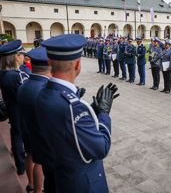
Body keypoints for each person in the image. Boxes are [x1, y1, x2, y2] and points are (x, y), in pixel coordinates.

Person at [37, 34, 119, 192]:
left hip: (63, 173)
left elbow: (67, 126)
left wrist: (91, 110)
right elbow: (101, 148)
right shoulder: (73, 106)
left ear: (49, 63)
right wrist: (103, 113)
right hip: (83, 183)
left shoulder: (43, 93)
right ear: (77, 65)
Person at [18, 47, 51, 193]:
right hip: (40, 134)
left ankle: (31, 184)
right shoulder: (43, 89)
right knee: (40, 163)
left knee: (30, 156)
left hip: (27, 129)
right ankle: (38, 189)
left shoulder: (25, 83)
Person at [0, 40, 29, 175]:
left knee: (15, 134)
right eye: (21, 54)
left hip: (12, 108)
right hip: (19, 110)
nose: (24, 57)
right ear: (16, 57)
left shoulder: (4, 73)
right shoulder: (14, 76)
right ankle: (22, 165)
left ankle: (20, 163)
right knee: (19, 136)